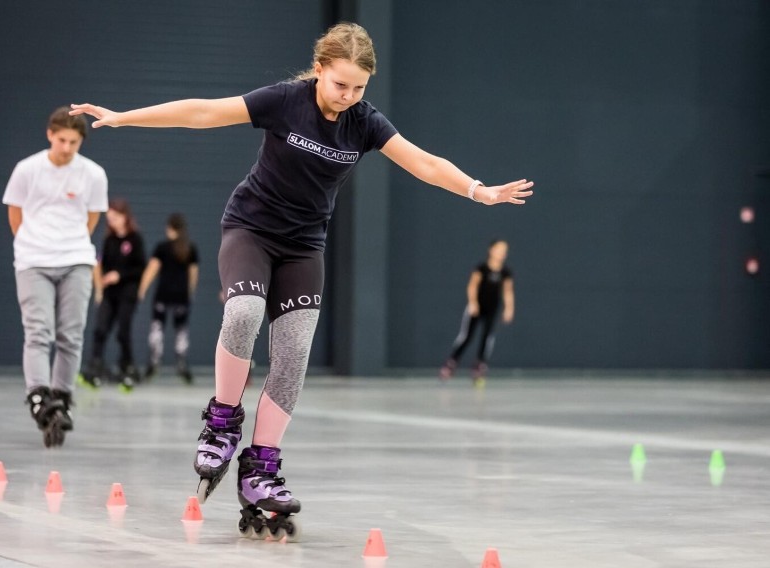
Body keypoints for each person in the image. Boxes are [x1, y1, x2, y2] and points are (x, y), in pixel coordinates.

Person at [70, 22, 533, 537]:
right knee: (243, 313)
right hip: (250, 228)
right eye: (340, 85)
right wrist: (122, 118)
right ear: (319, 70)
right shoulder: (284, 102)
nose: (349, 97)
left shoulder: (365, 123)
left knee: (293, 355)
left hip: (304, 246)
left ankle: (261, 467)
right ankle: (222, 421)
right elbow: (203, 111)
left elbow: (422, 163)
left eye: (359, 88)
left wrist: (478, 190)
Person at [2, 106, 108, 447]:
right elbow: (15, 215)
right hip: (33, 260)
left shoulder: (93, 174)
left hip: (76, 259)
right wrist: (32, 245)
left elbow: (91, 219)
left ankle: (62, 397)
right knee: (38, 332)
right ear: (50, 134)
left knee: (71, 334)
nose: (66, 147)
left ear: (81, 142)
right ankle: (38, 394)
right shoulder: (27, 169)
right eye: (61, 140)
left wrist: (71, 245)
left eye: (73, 142)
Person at [80, 198, 146, 391]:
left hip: (128, 292)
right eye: (109, 218)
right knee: (100, 329)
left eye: (115, 217)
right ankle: (95, 365)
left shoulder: (135, 239)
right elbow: (102, 264)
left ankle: (127, 367)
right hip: (110, 293)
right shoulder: (109, 240)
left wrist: (120, 275)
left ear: (124, 217)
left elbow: (140, 268)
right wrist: (101, 284)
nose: (111, 221)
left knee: (122, 332)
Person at [439, 239, 515, 386]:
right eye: (499, 249)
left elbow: (508, 292)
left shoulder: (506, 272)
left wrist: (509, 309)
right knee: (466, 336)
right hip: (477, 308)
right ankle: (451, 363)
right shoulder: (482, 269)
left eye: (504, 250)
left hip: (491, 310)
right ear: (491, 250)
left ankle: (479, 367)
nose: (502, 253)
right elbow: (472, 286)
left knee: (487, 338)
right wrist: (473, 303)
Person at [138, 213, 199, 383]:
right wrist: (190, 292)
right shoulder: (190, 248)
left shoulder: (162, 247)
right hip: (181, 296)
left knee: (157, 328)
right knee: (181, 330)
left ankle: (154, 363)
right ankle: (181, 363)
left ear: (170, 228)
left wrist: (142, 288)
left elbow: (152, 269)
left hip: (163, 295)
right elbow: (193, 274)